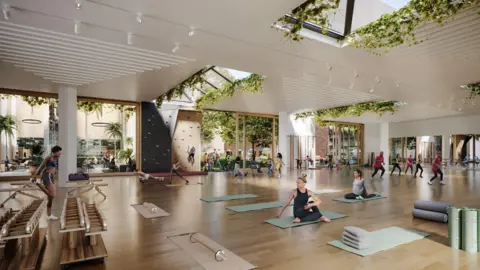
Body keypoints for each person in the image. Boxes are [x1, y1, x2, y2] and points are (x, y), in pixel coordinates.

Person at [31, 145, 62, 221]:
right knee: (53, 195)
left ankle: (49, 215)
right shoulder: (49, 157)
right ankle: (38, 184)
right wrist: (35, 176)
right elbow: (41, 165)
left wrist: (42, 173)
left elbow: (46, 167)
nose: (60, 153)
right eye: (59, 152)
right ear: (55, 152)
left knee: (50, 198)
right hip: (48, 176)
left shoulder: (55, 158)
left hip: (51, 176)